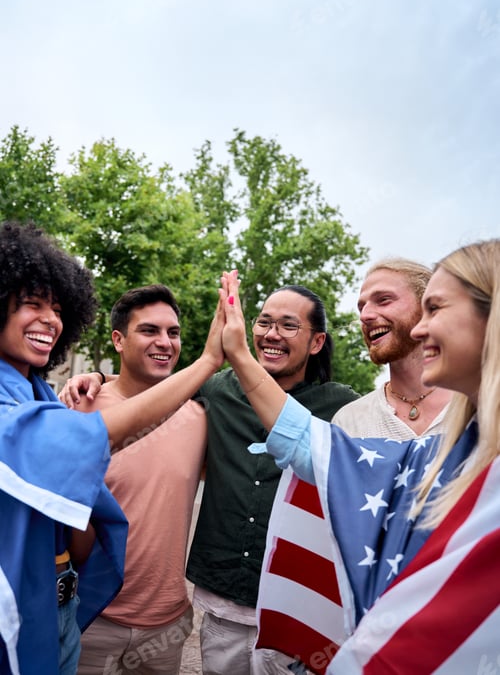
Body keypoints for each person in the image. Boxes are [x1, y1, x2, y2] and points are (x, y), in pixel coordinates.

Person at [220, 239, 499, 672]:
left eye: (436, 309)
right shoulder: (379, 428)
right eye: (361, 304)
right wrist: (236, 354)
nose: (423, 328)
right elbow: (307, 446)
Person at [60, 283, 360, 675]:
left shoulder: (342, 408)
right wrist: (97, 376)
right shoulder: (213, 395)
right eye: (264, 321)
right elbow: (152, 385)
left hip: (293, 607)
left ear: (317, 342)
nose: (271, 334)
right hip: (195, 609)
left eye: (288, 326)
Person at [0, 221, 225, 675]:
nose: (49, 319)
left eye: (58, 308)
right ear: (118, 340)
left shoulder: (43, 394)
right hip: (41, 612)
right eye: (31, 304)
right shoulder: (72, 404)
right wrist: (208, 361)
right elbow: (97, 435)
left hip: (69, 606)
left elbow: (76, 524)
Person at [76, 285, 207, 675]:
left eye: (173, 332)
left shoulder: (199, 418)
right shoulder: (81, 407)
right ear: (118, 339)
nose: (165, 342)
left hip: (166, 625)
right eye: (149, 331)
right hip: (90, 618)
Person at [332, 257, 452, 436]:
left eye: (383, 300)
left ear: (428, 307)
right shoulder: (348, 423)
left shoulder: (483, 405)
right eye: (361, 307)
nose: (365, 316)